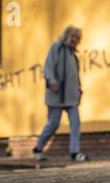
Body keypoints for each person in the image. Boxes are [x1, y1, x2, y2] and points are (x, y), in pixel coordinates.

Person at [33, 26, 88, 162]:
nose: (74, 40)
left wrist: (79, 88)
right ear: (66, 37)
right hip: (56, 95)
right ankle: (38, 149)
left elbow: (76, 75)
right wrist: (51, 81)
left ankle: (75, 152)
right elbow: (49, 66)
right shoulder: (56, 48)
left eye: (77, 38)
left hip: (71, 97)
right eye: (72, 37)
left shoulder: (74, 56)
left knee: (75, 123)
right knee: (53, 124)